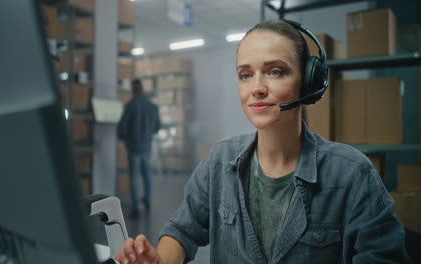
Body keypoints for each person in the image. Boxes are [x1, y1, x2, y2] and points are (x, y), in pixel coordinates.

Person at [114, 20, 411, 263]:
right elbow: (182, 230)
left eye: (275, 71)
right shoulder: (219, 161)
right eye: (245, 75)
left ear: (308, 81)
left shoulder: (351, 175)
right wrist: (159, 261)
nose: (256, 88)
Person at [117, 79, 161, 218]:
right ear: (142, 88)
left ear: (133, 90)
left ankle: (136, 206)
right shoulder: (152, 106)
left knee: (134, 176)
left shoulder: (130, 105)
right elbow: (157, 127)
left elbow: (123, 127)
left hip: (134, 146)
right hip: (146, 146)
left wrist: (124, 137)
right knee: (147, 175)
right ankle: (147, 200)